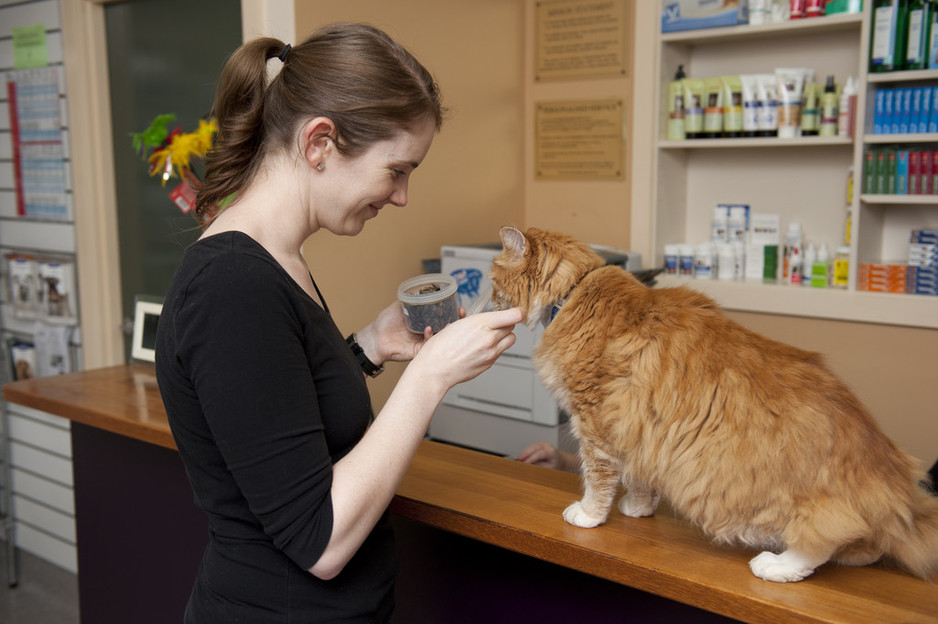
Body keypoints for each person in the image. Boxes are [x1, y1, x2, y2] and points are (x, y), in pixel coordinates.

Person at [154, 23, 521, 623]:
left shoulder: (276, 262)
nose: (401, 196)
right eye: (397, 169)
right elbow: (320, 542)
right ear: (320, 142)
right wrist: (429, 377)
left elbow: (280, 415)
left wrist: (370, 346)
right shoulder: (232, 286)